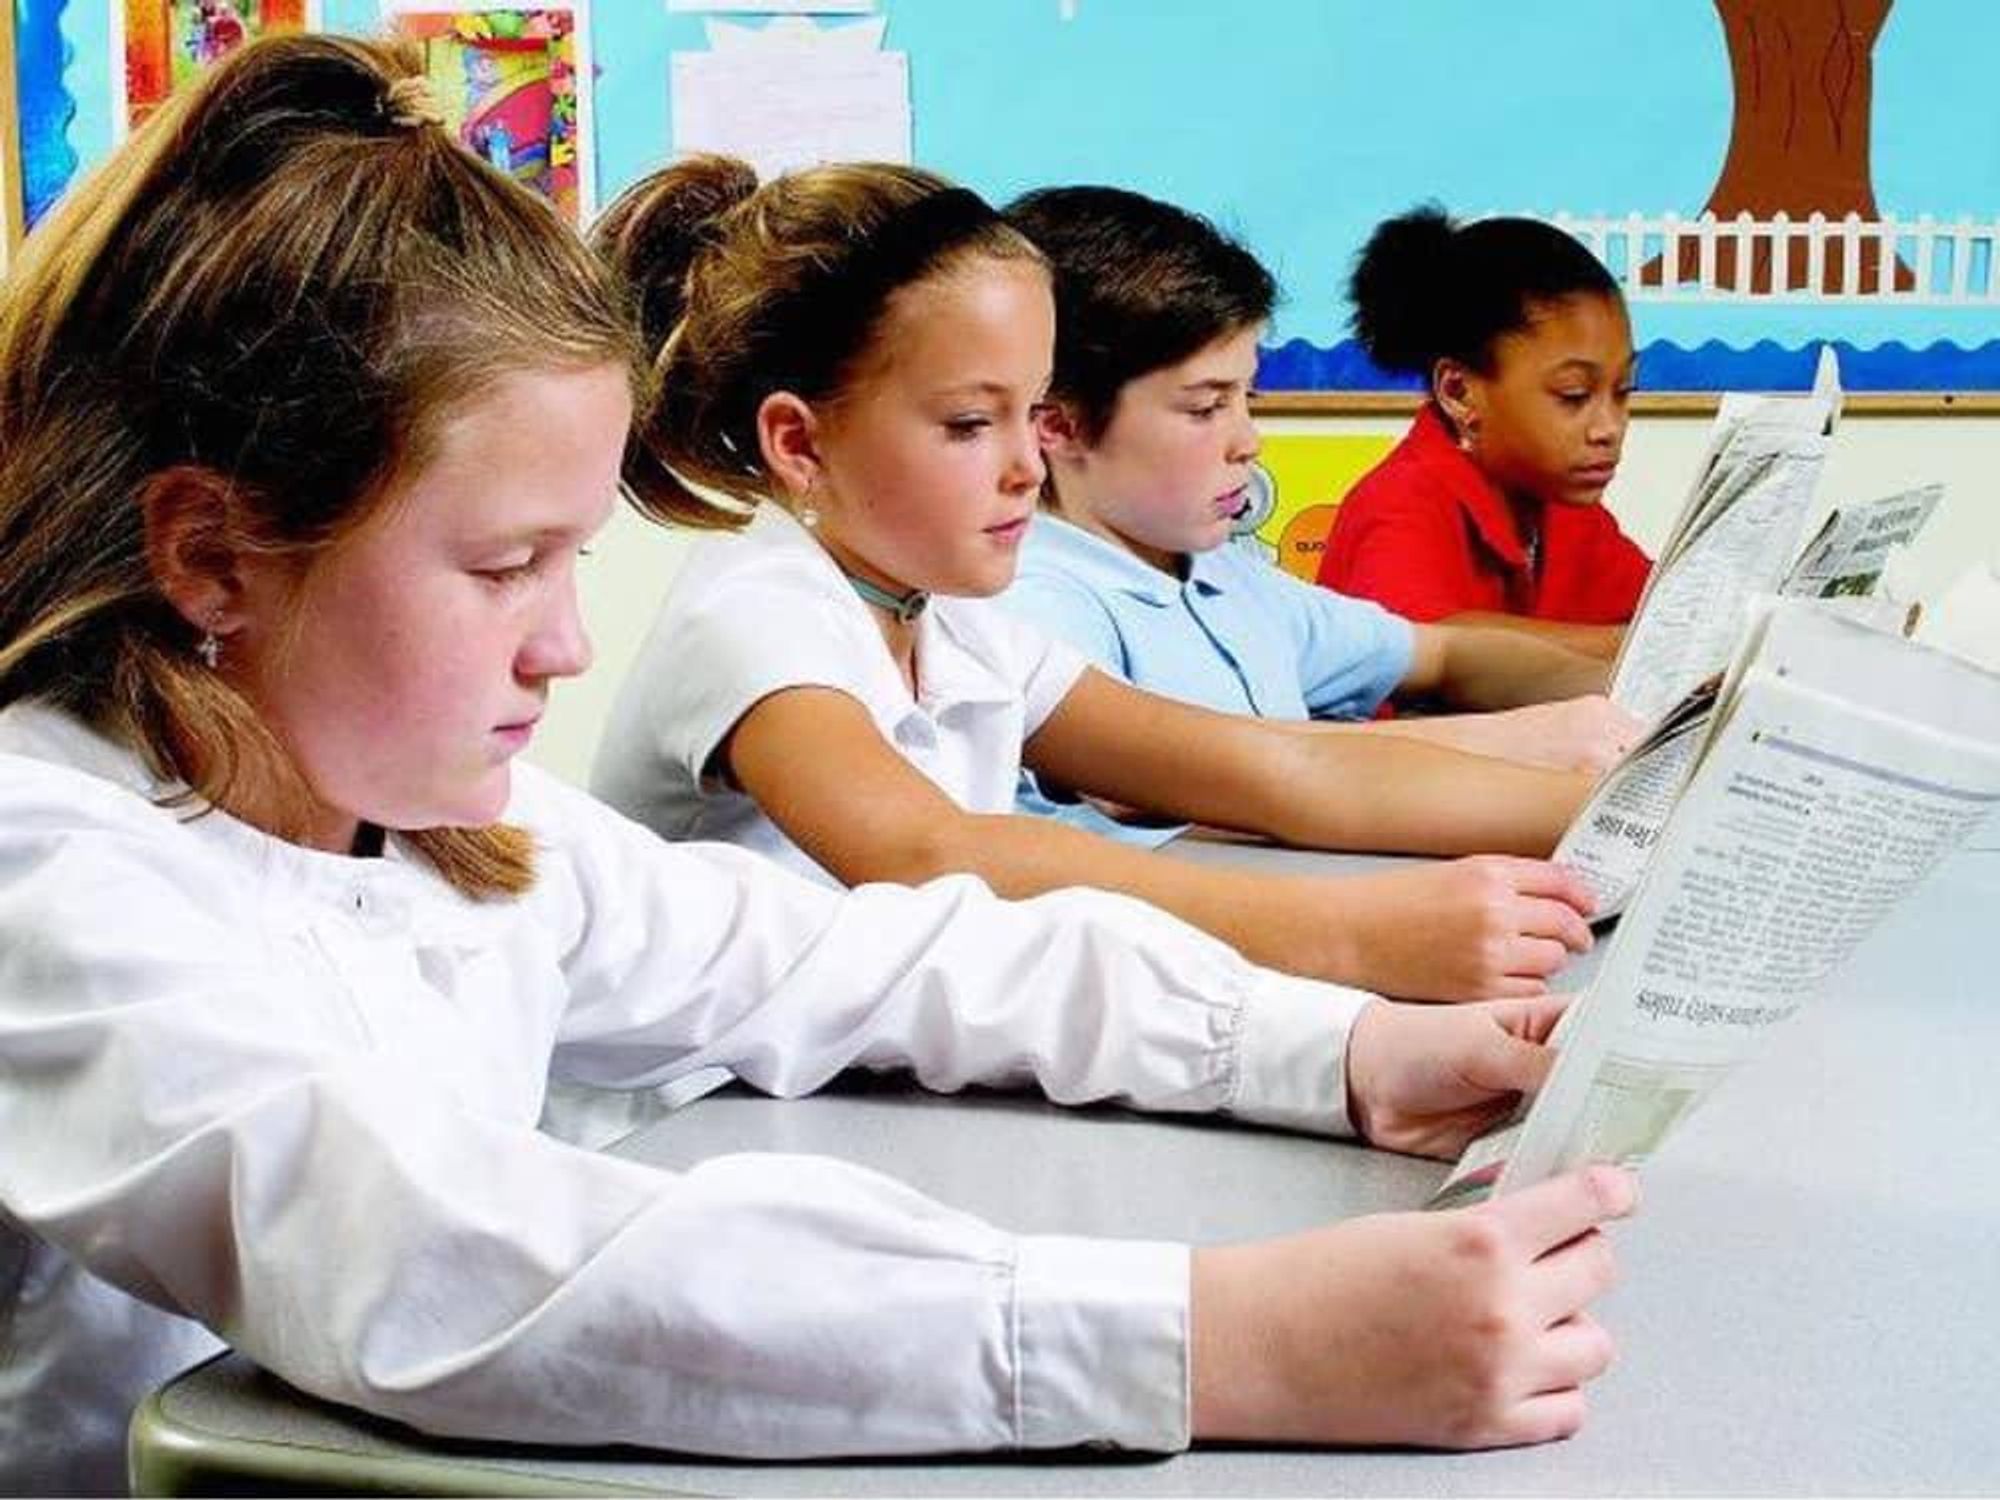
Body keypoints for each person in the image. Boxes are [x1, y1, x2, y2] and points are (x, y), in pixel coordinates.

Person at [0, 37, 1635, 1494]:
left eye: (575, 565)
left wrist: (1334, 1052)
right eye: (505, 568)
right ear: (217, 556)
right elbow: (436, 1260)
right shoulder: (47, 865)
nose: (567, 647)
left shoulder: (454, 834)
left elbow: (869, 961)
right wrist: (1211, 1337)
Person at [591, 158, 1605, 1003]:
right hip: (689, 1137)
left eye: (1029, 412)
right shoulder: (755, 611)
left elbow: (1276, 771)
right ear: (797, 443)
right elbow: (926, 856)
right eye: (966, 424)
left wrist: (1615, 824)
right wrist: (1346, 933)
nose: (1026, 468)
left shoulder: (950, 620)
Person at [997, 185, 1639, 839]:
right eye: (1204, 407)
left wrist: (1656, 691)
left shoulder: (1225, 576)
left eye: (1249, 396)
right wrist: (1525, 744)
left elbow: (1440, 653)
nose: (1248, 441)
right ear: (1061, 425)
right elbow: (1266, 779)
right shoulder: (1034, 602)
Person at [1317, 206, 1653, 660]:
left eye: (1623, 391)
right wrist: (1644, 650)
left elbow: (1665, 612)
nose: (1609, 428)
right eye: (1573, 395)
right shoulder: (1399, 502)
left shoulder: (1568, 509)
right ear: (1458, 392)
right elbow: (1422, 641)